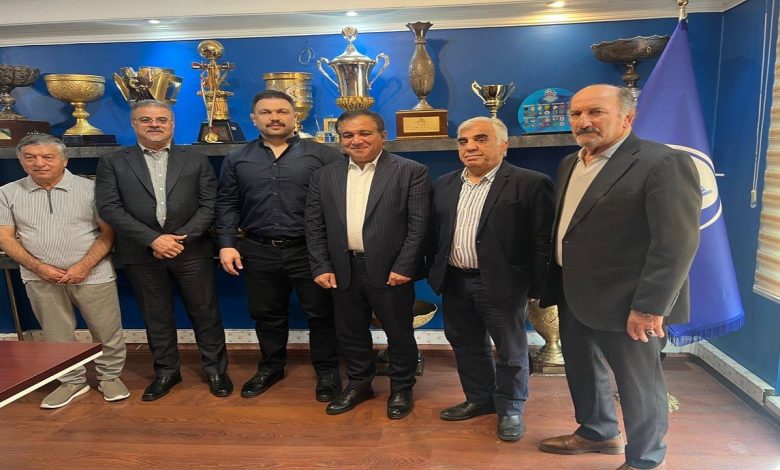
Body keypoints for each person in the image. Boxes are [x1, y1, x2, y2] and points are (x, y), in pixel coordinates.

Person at [538, 84, 701, 470]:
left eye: (595, 112)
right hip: (574, 292)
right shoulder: (570, 163)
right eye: (576, 114)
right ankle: (597, 431)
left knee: (638, 384)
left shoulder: (663, 162)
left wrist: (650, 306)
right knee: (582, 369)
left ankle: (646, 458)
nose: (583, 121)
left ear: (628, 117)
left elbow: (676, 243)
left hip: (629, 301)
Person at [427, 117, 555, 441]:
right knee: (466, 344)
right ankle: (480, 399)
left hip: (504, 283)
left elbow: (543, 240)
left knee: (510, 349)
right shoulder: (444, 184)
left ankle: (511, 408)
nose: (470, 146)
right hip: (455, 281)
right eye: (463, 141)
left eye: (481, 139)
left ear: (503, 145)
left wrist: (538, 286)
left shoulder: (531, 183)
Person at [95, 99, 231, 401]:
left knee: (206, 313)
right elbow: (109, 207)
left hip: (191, 251)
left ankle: (216, 371)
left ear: (172, 124)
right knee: (156, 316)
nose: (154, 124)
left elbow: (210, 205)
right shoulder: (112, 162)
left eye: (161, 119)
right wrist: (153, 240)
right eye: (146, 120)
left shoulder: (196, 159)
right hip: (142, 253)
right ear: (134, 124)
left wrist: (178, 240)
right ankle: (167, 372)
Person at [216, 90, 343, 402]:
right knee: (266, 313)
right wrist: (226, 244)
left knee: (321, 314)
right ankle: (271, 367)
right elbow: (227, 204)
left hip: (311, 250)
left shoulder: (323, 155)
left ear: (294, 116)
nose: (274, 118)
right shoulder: (237, 158)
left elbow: (340, 202)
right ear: (253, 118)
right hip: (258, 249)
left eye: (282, 111)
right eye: (266, 112)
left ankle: (327, 371)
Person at [305, 110, 430, 419]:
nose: (356, 140)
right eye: (348, 135)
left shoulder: (411, 171)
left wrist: (405, 266)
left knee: (399, 333)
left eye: (365, 133)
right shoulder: (324, 176)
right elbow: (314, 226)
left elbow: (419, 225)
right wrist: (321, 265)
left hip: (391, 271)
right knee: (350, 333)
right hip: (342, 268)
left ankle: (402, 388)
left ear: (382, 136)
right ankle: (359, 384)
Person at [0, 134, 128, 409]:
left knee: (106, 331)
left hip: (93, 274)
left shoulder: (92, 189)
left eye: (48, 157)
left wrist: (84, 266)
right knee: (56, 335)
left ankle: (110, 377)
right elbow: (5, 238)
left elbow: (108, 234)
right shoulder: (7, 192)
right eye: (30, 157)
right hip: (39, 277)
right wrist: (39, 268)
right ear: (21, 161)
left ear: (64, 160)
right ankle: (71, 381)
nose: (39, 163)